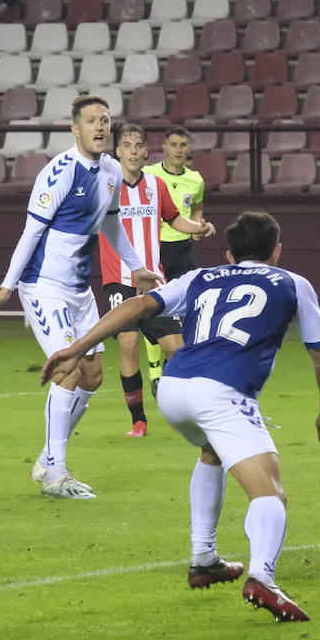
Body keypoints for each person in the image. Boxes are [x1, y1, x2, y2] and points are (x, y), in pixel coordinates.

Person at [41, 211, 320, 622]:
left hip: (173, 387)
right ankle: (263, 578)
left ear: (229, 253)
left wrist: (78, 347)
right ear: (276, 250)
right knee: (270, 493)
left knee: (212, 452)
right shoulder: (293, 283)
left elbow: (139, 303)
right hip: (220, 393)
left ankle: (204, 559)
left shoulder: (200, 276)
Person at [0, 95, 161, 499]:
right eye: (92, 121)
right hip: (44, 286)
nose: (101, 126)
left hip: (79, 291)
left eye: (105, 120)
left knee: (94, 375)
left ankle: (47, 457)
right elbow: (31, 232)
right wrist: (8, 287)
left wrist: (135, 267)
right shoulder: (58, 172)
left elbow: (111, 226)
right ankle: (56, 475)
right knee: (69, 368)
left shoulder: (112, 171)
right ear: (75, 129)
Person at [101, 124, 216, 437]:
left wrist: (198, 227)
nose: (134, 151)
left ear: (145, 151)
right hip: (119, 280)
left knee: (176, 350)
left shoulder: (156, 185)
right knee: (128, 344)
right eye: (128, 145)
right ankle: (138, 420)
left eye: (139, 146)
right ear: (118, 152)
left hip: (155, 281)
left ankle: (175, 410)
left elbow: (174, 218)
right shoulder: (105, 186)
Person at [142, 127, 209, 392]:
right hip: (155, 249)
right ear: (164, 148)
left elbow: (197, 207)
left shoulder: (196, 179)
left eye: (183, 145)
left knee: (187, 307)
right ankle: (155, 368)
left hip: (183, 249)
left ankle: (178, 362)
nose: (179, 149)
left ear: (189, 149)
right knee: (154, 306)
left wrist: (197, 225)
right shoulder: (149, 174)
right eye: (174, 144)